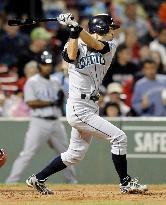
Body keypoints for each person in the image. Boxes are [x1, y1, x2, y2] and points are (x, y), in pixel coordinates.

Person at [26, 13, 147, 195]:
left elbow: (96, 44)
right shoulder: (73, 41)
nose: (113, 32)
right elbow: (71, 56)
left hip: (90, 106)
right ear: (102, 28)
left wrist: (75, 26)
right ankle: (126, 182)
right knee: (119, 137)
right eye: (111, 28)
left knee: (75, 155)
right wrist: (73, 31)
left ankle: (38, 178)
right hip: (78, 106)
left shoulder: (111, 46)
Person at [5, 50, 77, 184]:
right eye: (44, 64)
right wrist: (51, 102)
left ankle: (71, 181)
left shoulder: (56, 82)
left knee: (66, 153)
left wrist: (61, 98)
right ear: (39, 65)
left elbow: (61, 101)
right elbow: (31, 102)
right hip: (39, 122)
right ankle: (11, 181)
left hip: (55, 122)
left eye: (49, 64)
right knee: (27, 154)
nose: (47, 66)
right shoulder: (32, 82)